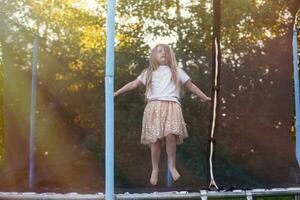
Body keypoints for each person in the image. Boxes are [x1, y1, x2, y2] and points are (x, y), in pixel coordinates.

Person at [114, 44, 211, 185]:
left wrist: (205, 97)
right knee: (155, 140)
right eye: (159, 51)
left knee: (170, 134)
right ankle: (155, 169)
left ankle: (172, 166)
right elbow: (133, 84)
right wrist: (116, 92)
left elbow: (191, 86)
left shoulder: (177, 71)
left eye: (166, 51)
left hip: (171, 105)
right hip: (154, 107)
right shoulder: (149, 72)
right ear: (154, 56)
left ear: (170, 55)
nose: (163, 53)